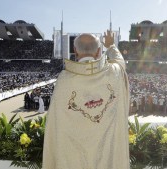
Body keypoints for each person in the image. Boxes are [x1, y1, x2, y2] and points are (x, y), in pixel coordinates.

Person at [42, 30, 130, 169]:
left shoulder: (64, 80)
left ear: (75, 51)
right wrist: (111, 45)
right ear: (99, 51)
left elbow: (57, 124)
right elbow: (120, 62)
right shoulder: (114, 73)